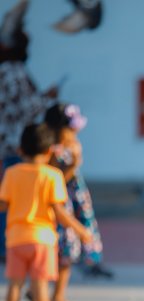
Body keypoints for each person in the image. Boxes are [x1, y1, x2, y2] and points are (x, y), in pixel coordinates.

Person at [0, 124, 91, 301]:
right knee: (40, 285)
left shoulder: (12, 173)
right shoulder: (52, 175)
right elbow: (59, 211)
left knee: (14, 285)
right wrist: (80, 229)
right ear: (50, 151)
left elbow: (2, 204)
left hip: (16, 238)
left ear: (21, 150)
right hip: (43, 240)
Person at [0, 5, 57, 261]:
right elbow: (25, 109)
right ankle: (7, 248)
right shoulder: (13, 72)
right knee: (14, 202)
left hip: (8, 146)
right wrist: (47, 98)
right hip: (14, 147)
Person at [43, 103, 110, 301]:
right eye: (71, 129)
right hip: (63, 204)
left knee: (67, 255)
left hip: (73, 202)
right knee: (61, 250)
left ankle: (57, 295)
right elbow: (56, 180)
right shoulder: (53, 151)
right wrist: (74, 164)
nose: (75, 133)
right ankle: (47, 294)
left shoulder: (66, 146)